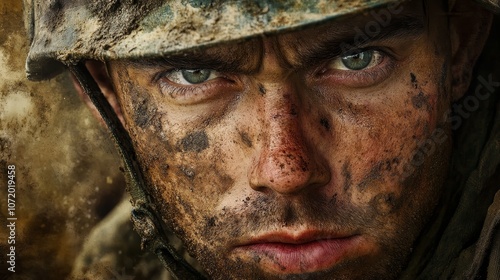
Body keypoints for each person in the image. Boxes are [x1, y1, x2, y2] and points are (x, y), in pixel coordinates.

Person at [24, 0, 500, 279]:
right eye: (195, 74)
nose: (286, 171)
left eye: (358, 59)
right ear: (107, 93)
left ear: (460, 49)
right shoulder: (121, 262)